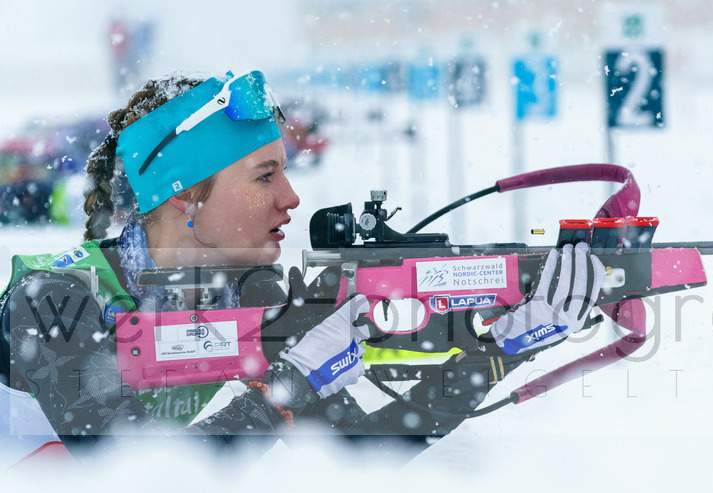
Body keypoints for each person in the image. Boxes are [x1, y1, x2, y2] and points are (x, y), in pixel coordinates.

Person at [0, 70, 602, 470]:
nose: (290, 198)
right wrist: (286, 391)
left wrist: (497, 352)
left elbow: (364, 456)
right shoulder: (53, 300)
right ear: (184, 195)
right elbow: (134, 488)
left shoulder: (246, 298)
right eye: (265, 176)